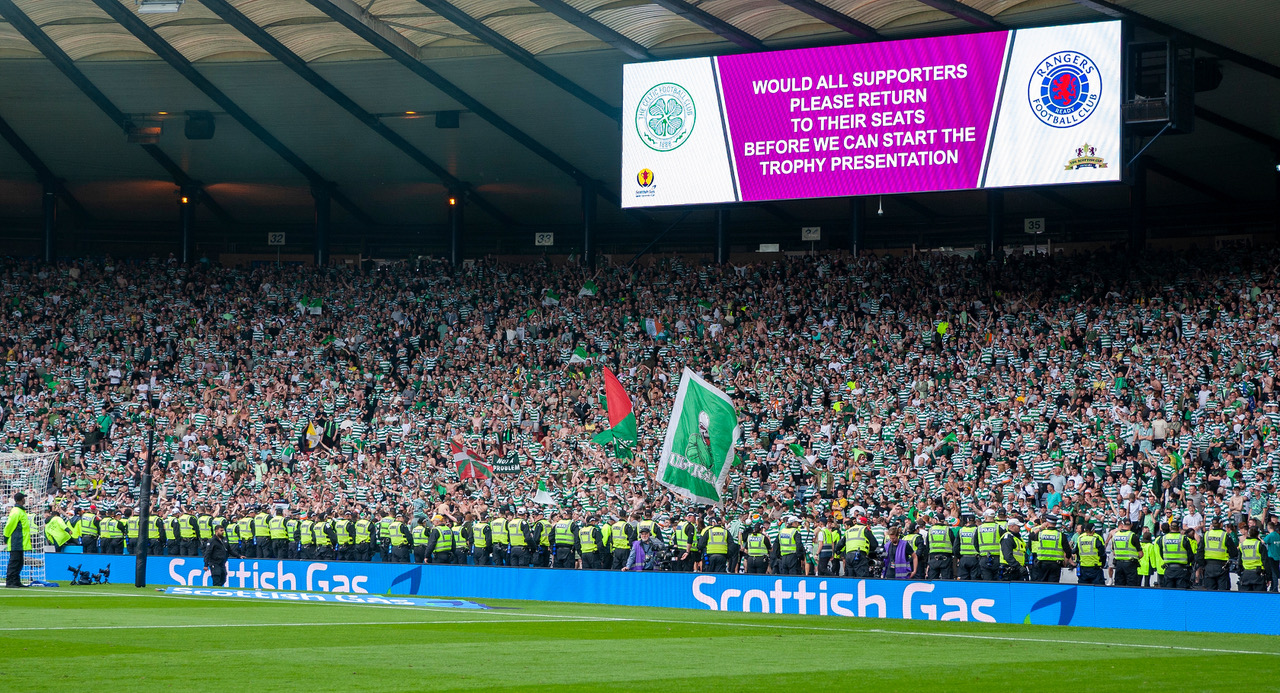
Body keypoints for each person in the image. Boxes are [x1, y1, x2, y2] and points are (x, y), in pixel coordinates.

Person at [1198, 516, 1238, 591]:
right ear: (1221, 524)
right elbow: (1234, 552)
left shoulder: (1206, 534)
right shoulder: (1224, 535)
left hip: (1208, 566)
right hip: (1222, 567)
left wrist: (1203, 565)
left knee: (1210, 593)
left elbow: (1200, 551)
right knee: (1223, 593)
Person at [1158, 518, 1195, 589]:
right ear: (1179, 528)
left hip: (1169, 569)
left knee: (1169, 594)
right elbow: (1190, 555)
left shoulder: (1163, 538)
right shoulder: (1183, 538)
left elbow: (1161, 553)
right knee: (1181, 594)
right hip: (1181, 570)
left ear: (1170, 527)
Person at [4, 492, 32, 587]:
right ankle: (10, 581)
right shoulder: (16, 511)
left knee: (19, 562)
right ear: (21, 500)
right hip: (16, 540)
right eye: (24, 498)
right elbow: (9, 525)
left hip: (20, 541)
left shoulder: (20, 511)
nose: (25, 499)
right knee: (14, 562)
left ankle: (16, 581)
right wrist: (6, 536)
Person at [1109, 518, 1144, 587]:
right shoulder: (1133, 535)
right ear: (1131, 525)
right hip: (1130, 564)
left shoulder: (1115, 535)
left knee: (1119, 586)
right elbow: (1140, 554)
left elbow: (1113, 551)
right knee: (1131, 586)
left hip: (1119, 564)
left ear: (1122, 525)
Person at [924, 514, 955, 580]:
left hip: (933, 559)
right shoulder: (948, 529)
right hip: (946, 558)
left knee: (932, 580)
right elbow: (953, 544)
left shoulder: (930, 530)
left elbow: (927, 546)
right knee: (947, 581)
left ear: (936, 520)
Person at [976, 509, 1003, 581]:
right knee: (998, 581)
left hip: (984, 558)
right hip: (997, 558)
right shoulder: (999, 527)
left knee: (987, 581)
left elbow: (975, 543)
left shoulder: (979, 528)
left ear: (985, 517)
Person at [1239, 526, 1266, 592]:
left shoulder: (1242, 545)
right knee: (1259, 599)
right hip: (1258, 574)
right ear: (1257, 534)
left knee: (1246, 599)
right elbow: (1265, 561)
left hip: (1246, 573)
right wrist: (1268, 577)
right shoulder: (1259, 544)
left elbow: (1239, 561)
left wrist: (1240, 573)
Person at [954, 515, 981, 581]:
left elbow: (956, 547)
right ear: (975, 521)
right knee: (975, 580)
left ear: (967, 521)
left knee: (963, 580)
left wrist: (959, 557)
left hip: (963, 558)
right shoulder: (977, 530)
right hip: (975, 558)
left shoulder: (961, 530)